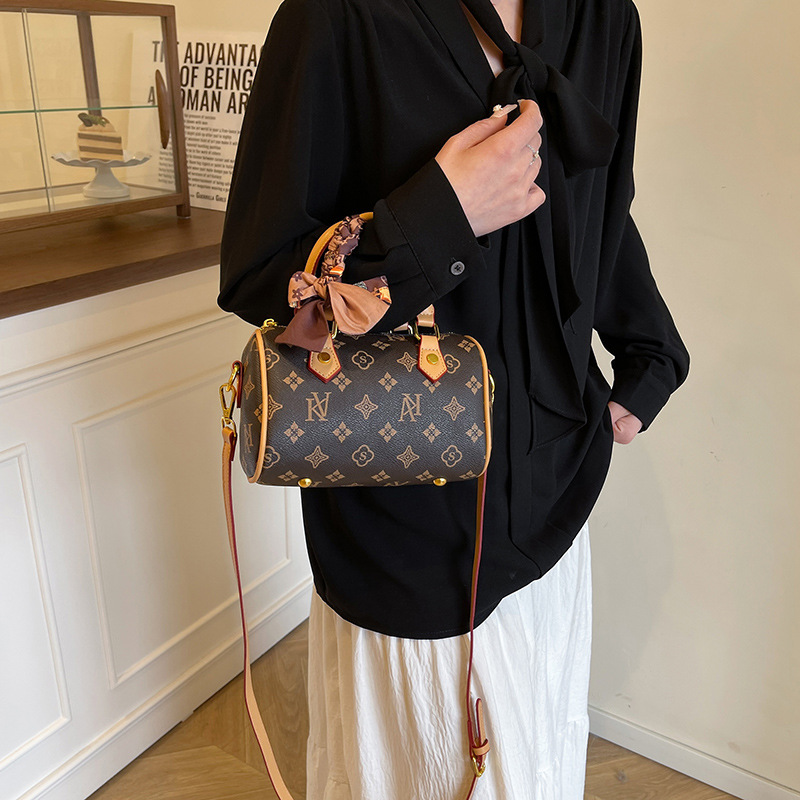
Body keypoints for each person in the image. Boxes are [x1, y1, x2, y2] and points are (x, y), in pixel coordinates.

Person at [217, 0, 690, 797]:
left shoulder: (606, 18)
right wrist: (441, 215)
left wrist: (650, 354)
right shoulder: (338, 15)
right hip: (402, 523)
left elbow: (600, 209)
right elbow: (262, 277)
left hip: (557, 501)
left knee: (538, 771)